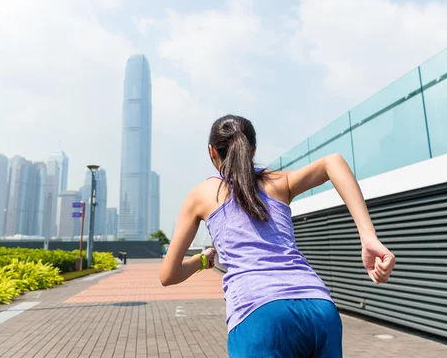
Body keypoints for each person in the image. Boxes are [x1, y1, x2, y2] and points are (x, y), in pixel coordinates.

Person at [159, 115, 395, 358]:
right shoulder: (279, 182)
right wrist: (368, 237)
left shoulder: (202, 194)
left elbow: (168, 275)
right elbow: (332, 162)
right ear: (253, 151)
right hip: (319, 307)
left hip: (259, 314)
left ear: (212, 152)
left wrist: (202, 261)